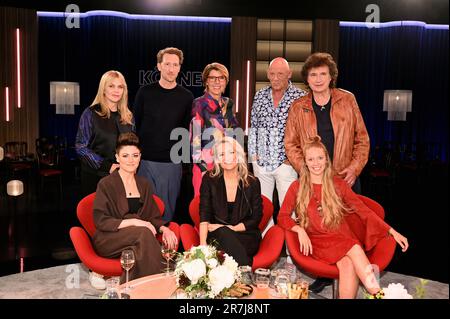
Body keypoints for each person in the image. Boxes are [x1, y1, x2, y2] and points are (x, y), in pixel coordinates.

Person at [278, 137, 409, 299]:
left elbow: (363, 211)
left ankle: (376, 294)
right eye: (311, 159)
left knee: (347, 264)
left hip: (341, 237)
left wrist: (392, 231)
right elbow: (282, 216)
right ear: (305, 162)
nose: (316, 163)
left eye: (320, 158)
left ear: (326, 159)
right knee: (354, 247)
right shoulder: (296, 187)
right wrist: (298, 229)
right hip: (319, 241)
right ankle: (378, 295)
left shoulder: (338, 184)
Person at [284, 52, 370, 292]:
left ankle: (352, 271)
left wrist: (355, 167)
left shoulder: (347, 100)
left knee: (348, 231)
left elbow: (362, 139)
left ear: (331, 76)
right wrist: (305, 171)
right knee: (320, 228)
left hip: (344, 178)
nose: (318, 79)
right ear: (307, 79)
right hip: (314, 180)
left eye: (323, 74)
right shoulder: (298, 106)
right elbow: (290, 144)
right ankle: (325, 273)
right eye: (313, 75)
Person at [92, 132, 178, 284]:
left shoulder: (144, 184)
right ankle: (165, 279)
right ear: (117, 157)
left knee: (135, 252)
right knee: (144, 233)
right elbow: (101, 220)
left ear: (140, 157)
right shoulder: (106, 184)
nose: (131, 160)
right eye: (125, 156)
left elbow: (153, 217)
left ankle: (131, 289)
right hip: (109, 238)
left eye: (135, 155)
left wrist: (165, 229)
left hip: (137, 239)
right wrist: (137, 222)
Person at [134, 47, 194, 222]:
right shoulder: (144, 92)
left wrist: (183, 164)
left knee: (167, 213)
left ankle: (165, 249)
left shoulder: (186, 96)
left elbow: (185, 131)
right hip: (144, 161)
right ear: (159, 66)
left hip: (171, 164)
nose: (171, 68)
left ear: (179, 68)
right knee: (143, 210)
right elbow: (135, 125)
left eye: (175, 65)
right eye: (167, 64)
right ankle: (145, 247)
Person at [248, 57, 306, 235]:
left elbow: (305, 131)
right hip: (262, 163)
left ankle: (291, 255)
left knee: (290, 211)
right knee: (264, 210)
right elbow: (253, 126)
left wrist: (294, 159)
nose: (276, 78)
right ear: (267, 74)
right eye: (272, 73)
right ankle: (269, 251)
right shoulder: (260, 95)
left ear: (289, 74)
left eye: (280, 73)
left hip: (287, 163)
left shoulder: (300, 97)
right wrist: (253, 158)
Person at [199, 136, 262, 266]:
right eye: (222, 154)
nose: (226, 158)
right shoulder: (209, 179)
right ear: (217, 159)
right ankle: (245, 276)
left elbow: (255, 218)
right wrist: (202, 246)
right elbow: (204, 214)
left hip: (245, 235)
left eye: (231, 152)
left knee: (225, 234)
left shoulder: (252, 182)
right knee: (223, 235)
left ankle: (237, 278)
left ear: (238, 155)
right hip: (218, 236)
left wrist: (229, 228)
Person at [75, 70, 134, 198]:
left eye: (120, 87)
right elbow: (80, 147)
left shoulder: (128, 116)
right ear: (103, 89)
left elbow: (132, 146)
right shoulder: (90, 113)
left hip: (122, 178)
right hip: (95, 177)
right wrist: (107, 166)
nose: (116, 90)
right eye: (111, 86)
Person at [191, 62, 240, 197]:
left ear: (226, 81)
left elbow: (234, 134)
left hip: (226, 162)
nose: (217, 82)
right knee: (203, 206)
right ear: (206, 81)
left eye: (221, 78)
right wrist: (202, 167)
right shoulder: (199, 104)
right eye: (212, 78)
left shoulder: (229, 104)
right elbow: (194, 138)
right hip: (205, 163)